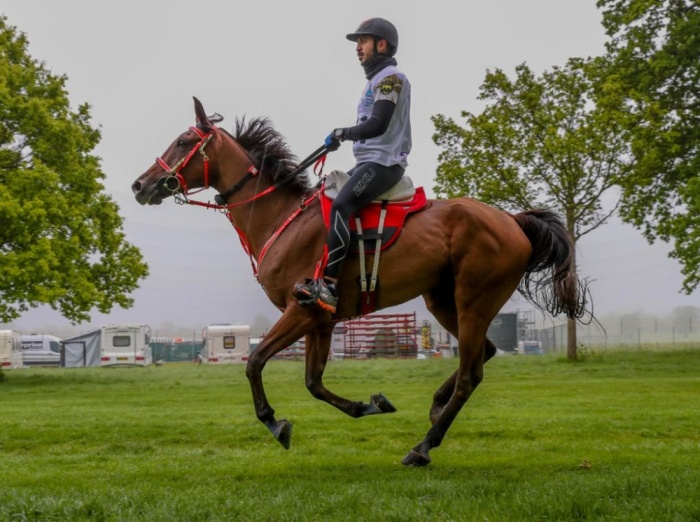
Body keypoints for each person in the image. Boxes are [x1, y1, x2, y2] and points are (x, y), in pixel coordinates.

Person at [293, 17, 412, 314]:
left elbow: (378, 124)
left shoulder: (390, 78)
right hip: (369, 161)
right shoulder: (375, 81)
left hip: (383, 163)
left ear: (380, 44)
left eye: (363, 41)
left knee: (342, 206)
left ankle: (330, 287)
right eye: (357, 42)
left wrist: (342, 133)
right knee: (326, 195)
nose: (357, 47)